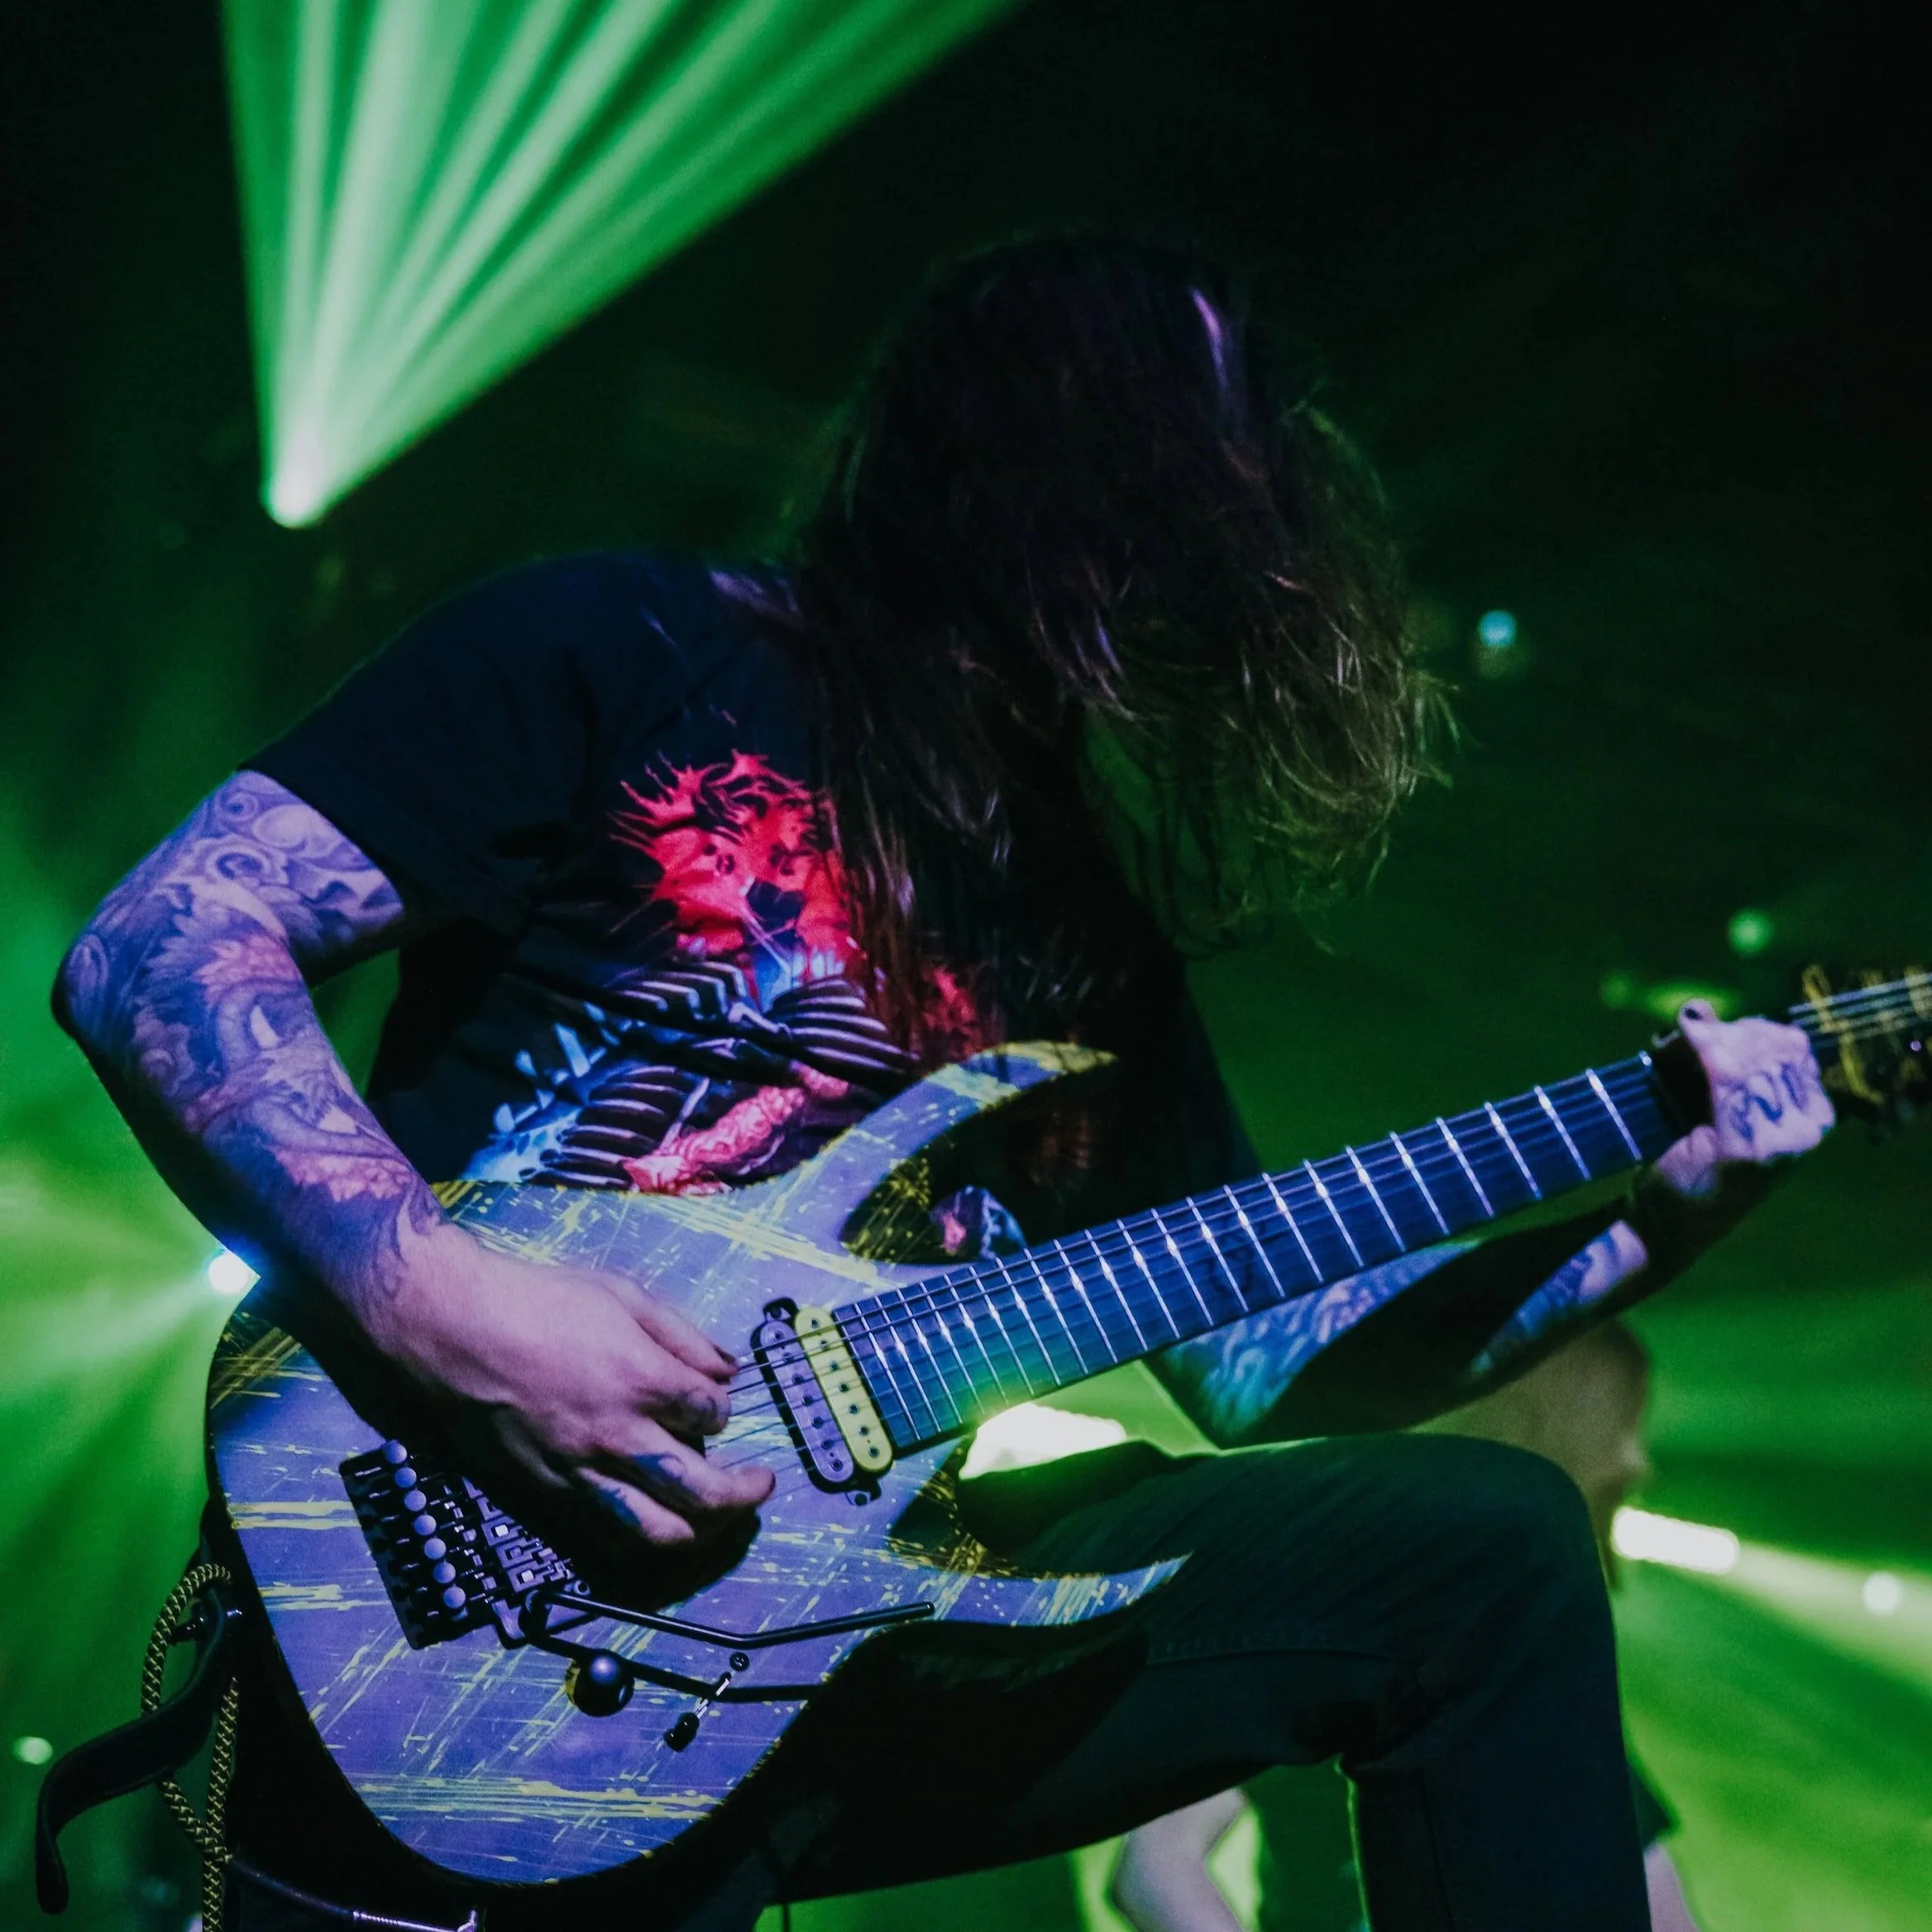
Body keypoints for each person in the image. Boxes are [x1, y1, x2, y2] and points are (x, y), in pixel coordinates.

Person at [53, 237, 1832, 1932]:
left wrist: (1648, 1228)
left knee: (1482, 1548)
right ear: (1047, 454)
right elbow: (161, 952)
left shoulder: (1089, 927)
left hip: (851, 1623)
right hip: (469, 1612)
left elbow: (1272, 1356)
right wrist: (445, 1308)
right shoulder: (621, 647)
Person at [1109, 1322, 1699, 1932]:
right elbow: (1156, 1865)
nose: (1638, 1458)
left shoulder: (1531, 1671)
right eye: (1624, 1419)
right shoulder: (1352, 1622)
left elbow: (1657, 1902)